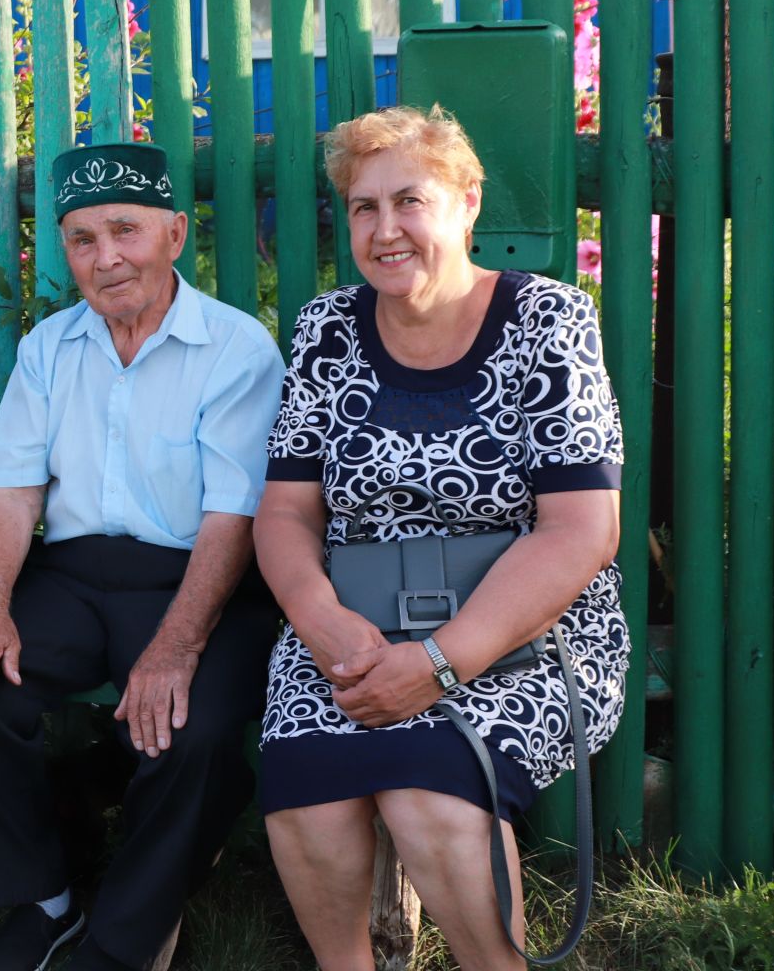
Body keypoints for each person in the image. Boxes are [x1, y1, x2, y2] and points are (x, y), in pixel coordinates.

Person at [254, 106, 627, 971]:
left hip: (527, 637)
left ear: (466, 203)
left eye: (409, 201)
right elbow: (285, 514)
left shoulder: (548, 320)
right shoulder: (326, 330)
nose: (385, 230)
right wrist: (324, 625)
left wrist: (441, 663)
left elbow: (581, 530)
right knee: (310, 792)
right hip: (348, 630)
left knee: (428, 791)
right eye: (362, 207)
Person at [0, 142, 287, 971]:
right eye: (82, 239)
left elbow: (234, 512)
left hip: (203, 580)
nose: (106, 256)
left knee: (191, 735)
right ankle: (45, 900)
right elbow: (13, 491)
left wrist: (178, 643)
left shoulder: (235, 349)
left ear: (175, 234)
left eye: (125, 230)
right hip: (76, 574)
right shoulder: (52, 349)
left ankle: (121, 942)